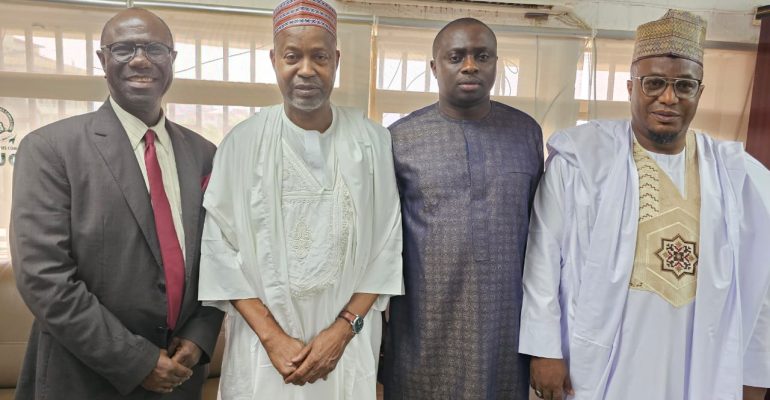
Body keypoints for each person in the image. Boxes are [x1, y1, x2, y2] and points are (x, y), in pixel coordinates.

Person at [519, 9, 770, 400]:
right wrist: (544, 349)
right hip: (602, 351)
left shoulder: (739, 176)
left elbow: (760, 281)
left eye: (684, 86)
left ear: (699, 93)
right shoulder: (581, 158)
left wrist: (755, 369)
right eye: (654, 83)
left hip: (696, 352)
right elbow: (542, 258)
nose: (668, 98)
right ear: (630, 87)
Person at [10, 8, 222, 399]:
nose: (140, 59)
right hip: (86, 377)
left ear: (172, 60)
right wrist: (136, 361)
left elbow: (219, 256)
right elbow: (44, 277)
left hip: (181, 376)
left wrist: (200, 336)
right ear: (102, 60)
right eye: (124, 48)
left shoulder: (205, 154)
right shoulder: (50, 149)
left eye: (155, 48)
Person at [197, 0, 403, 398]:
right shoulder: (241, 144)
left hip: (347, 349)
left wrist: (342, 332)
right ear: (274, 59)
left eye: (320, 56)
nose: (306, 70)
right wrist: (273, 338)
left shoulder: (372, 142)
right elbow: (218, 249)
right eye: (292, 56)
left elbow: (387, 245)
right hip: (264, 352)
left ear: (337, 60)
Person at [381, 17, 544, 400]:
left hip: (505, 328)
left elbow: (542, 236)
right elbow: (384, 242)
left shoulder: (526, 133)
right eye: (456, 57)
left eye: (481, 56)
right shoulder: (399, 138)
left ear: (495, 64)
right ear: (435, 67)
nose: (470, 65)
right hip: (424, 326)